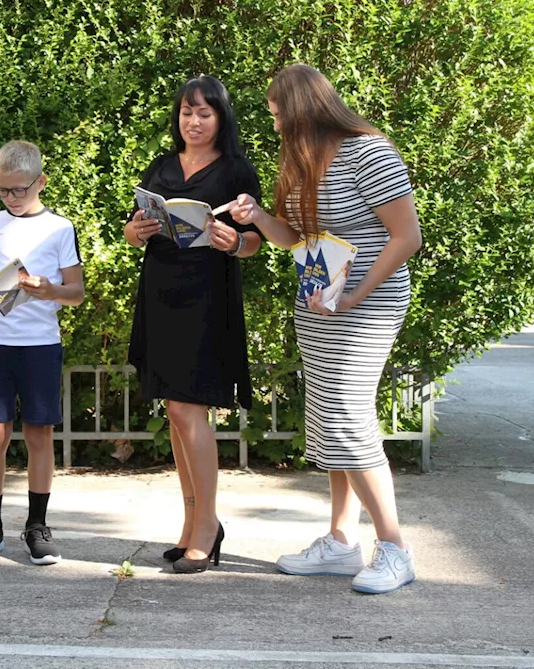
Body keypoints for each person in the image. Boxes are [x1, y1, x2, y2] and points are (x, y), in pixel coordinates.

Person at [229, 63, 423, 594]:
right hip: (320, 303)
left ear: (302, 112)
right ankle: (341, 542)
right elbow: (296, 239)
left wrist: (356, 293)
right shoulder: (300, 158)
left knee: (348, 416)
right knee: (330, 418)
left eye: (277, 116)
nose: (273, 127)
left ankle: (396, 549)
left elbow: (406, 237)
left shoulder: (369, 152)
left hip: (369, 302)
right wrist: (256, 217)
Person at [123, 76, 262, 574]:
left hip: (206, 297)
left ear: (221, 118)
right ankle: (191, 524)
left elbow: (254, 242)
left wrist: (234, 241)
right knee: (176, 414)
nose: (194, 121)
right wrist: (135, 232)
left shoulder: (235, 171)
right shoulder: (160, 167)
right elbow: (133, 230)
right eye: (186, 112)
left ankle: (208, 525)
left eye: (204, 113)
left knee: (187, 410)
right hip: (161, 292)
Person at [0, 140, 84, 565]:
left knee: (38, 433)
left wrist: (49, 290)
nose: (10, 198)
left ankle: (37, 524)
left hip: (40, 344)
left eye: (19, 190)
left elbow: (77, 293)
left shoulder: (59, 229)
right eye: (3, 190)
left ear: (40, 182)